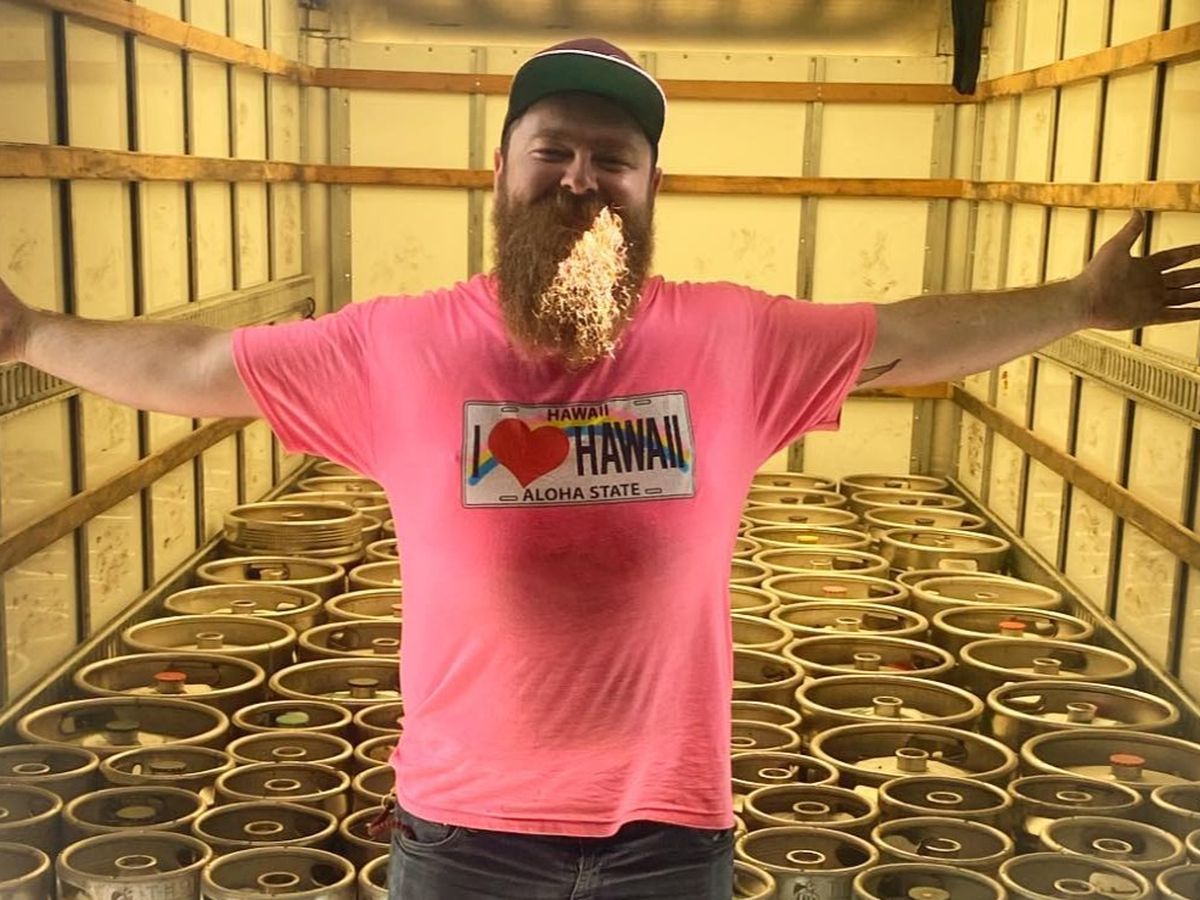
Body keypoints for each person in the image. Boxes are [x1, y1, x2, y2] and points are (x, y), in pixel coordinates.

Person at [3, 35, 1198, 900]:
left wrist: (1075, 304)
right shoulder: (399, 346)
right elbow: (201, 363)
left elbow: (911, 336)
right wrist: (32, 335)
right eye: (554, 150)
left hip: (668, 832)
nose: (581, 178)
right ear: (500, 172)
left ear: (650, 187)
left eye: (614, 158)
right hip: (463, 835)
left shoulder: (730, 338)